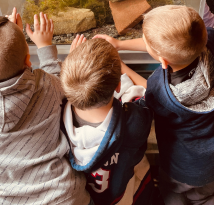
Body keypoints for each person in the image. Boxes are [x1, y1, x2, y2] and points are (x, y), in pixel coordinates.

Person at [95, 6, 214, 205]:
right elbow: (168, 44)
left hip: (185, 169)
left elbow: (148, 91)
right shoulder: (213, 39)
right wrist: (119, 44)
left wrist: (120, 66)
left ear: (162, 60)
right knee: (202, 196)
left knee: (172, 194)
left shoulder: (163, 92)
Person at [0, 8, 91, 205]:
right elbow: (62, 84)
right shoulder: (46, 85)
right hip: (61, 198)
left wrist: (7, 41)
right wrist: (46, 46)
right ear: (28, 60)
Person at [60, 38, 153, 205]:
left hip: (89, 196)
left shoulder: (58, 119)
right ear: (118, 86)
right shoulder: (133, 121)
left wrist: (75, 61)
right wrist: (120, 64)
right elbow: (151, 94)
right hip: (121, 194)